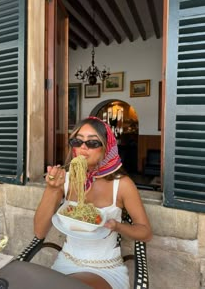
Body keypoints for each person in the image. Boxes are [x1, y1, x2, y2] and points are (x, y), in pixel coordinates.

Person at [34, 116, 152, 289]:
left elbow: (146, 233)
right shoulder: (65, 179)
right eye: (77, 141)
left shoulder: (122, 185)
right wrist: (51, 190)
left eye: (93, 143)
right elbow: (39, 232)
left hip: (106, 267)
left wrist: (117, 226)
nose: (83, 147)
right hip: (67, 261)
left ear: (107, 148)